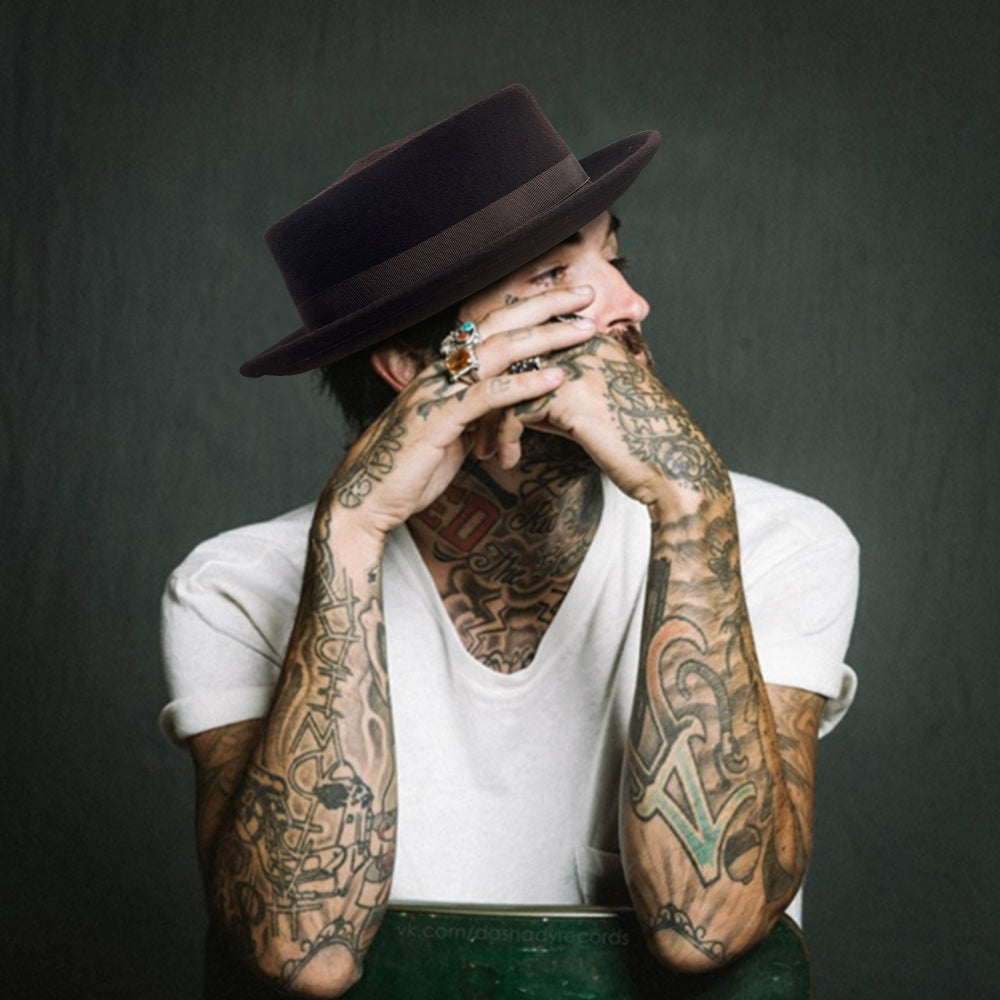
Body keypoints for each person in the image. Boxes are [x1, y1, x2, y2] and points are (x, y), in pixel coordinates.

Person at [160, 85, 858, 997]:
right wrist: (352, 535)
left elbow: (708, 930)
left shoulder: (774, 542)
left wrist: (691, 511)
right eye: (555, 279)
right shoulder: (234, 587)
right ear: (418, 367)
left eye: (615, 259)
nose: (632, 304)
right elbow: (300, 954)